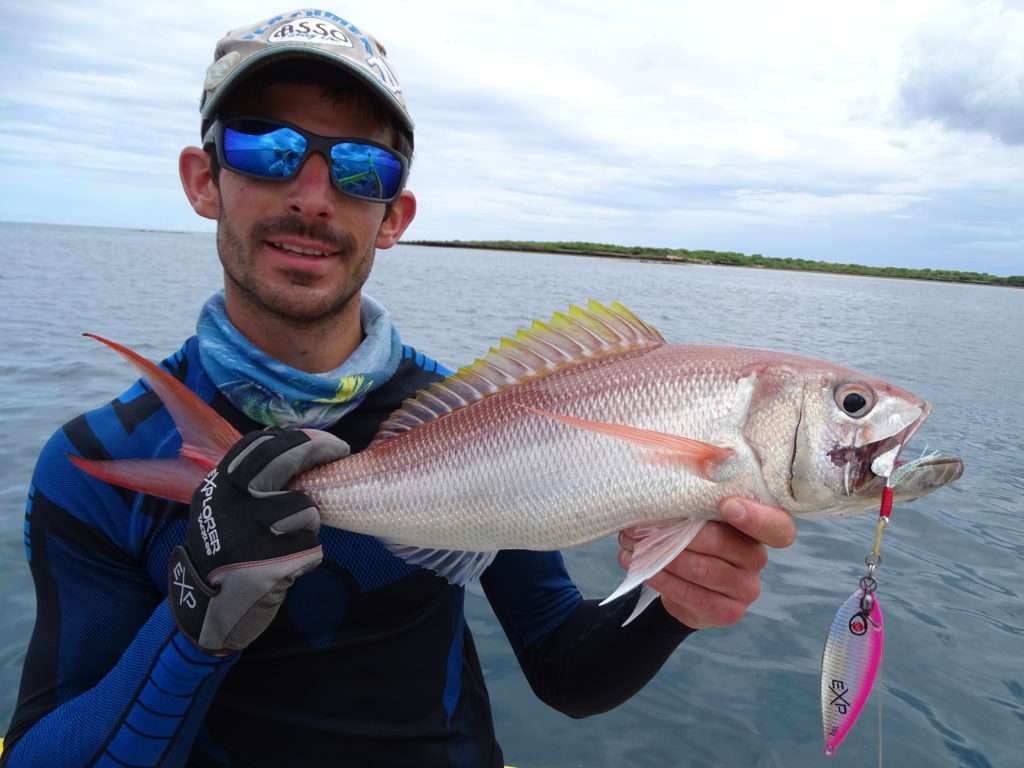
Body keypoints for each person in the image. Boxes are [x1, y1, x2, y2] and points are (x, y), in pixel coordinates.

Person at [2, 8, 796, 767]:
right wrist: (193, 620)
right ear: (203, 181)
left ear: (394, 214)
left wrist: (670, 603)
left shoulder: (488, 418)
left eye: (359, 166)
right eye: (267, 149)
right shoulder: (97, 459)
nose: (312, 195)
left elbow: (566, 669)